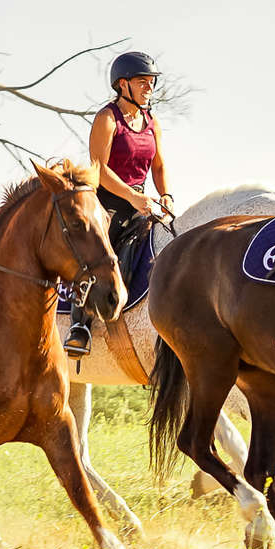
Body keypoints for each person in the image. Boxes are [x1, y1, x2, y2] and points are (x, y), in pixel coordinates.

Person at [64, 49, 174, 357]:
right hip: (108, 202)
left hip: (142, 201)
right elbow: (99, 168)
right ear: (122, 84)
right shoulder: (107, 118)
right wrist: (132, 196)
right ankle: (79, 326)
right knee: (99, 255)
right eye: (142, 82)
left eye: (151, 82)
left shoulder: (152, 121)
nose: (149, 88)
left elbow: (160, 166)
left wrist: (166, 195)